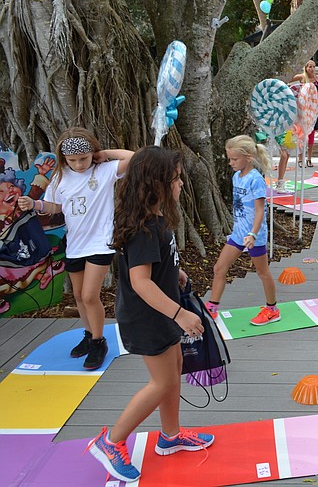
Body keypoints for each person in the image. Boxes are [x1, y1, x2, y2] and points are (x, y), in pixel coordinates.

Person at [87, 146, 213, 483]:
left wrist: (176, 271)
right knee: (163, 382)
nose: (182, 183)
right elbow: (140, 283)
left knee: (174, 371)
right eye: (176, 178)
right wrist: (179, 314)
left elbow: (157, 266)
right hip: (149, 316)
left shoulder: (156, 218)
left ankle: (171, 436)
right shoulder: (142, 229)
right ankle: (110, 441)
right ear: (157, 184)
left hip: (163, 313)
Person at [18, 128, 133, 370]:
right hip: (75, 245)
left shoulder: (104, 171)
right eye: (73, 160)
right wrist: (34, 203)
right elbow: (54, 207)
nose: (79, 164)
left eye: (84, 158)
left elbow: (134, 157)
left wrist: (104, 154)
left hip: (100, 242)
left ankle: (99, 342)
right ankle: (90, 335)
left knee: (91, 295)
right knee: (79, 295)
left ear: (93, 153)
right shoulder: (60, 178)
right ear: (64, 159)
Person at [206, 135, 279, 325]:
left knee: (263, 272)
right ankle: (212, 308)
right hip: (239, 233)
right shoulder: (236, 177)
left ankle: (272, 309)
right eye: (229, 159)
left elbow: (260, 210)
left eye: (234, 159)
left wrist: (253, 234)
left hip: (254, 235)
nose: (231, 163)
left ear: (248, 157)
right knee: (219, 268)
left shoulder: (256, 180)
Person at [290, 60, 318, 167]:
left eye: (314, 67)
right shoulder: (301, 77)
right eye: (310, 67)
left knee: (311, 135)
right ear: (306, 67)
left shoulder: (317, 78)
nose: (312, 69)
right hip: (302, 109)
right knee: (301, 134)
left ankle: (309, 158)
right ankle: (300, 158)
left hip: (313, 110)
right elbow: (288, 80)